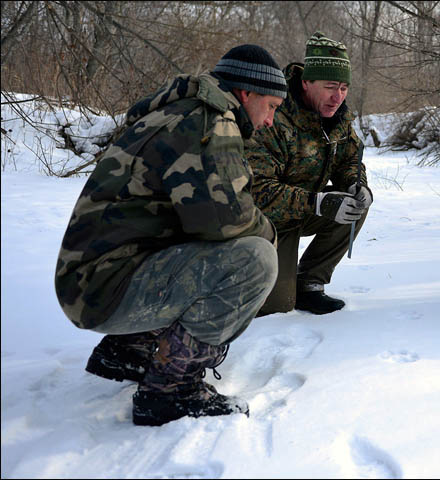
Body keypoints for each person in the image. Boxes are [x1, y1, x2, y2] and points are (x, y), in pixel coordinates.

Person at [54, 45, 288, 426]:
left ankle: (128, 349)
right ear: (246, 93)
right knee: (254, 260)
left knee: (195, 238)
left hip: (91, 281)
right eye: (272, 107)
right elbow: (225, 221)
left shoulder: (179, 112)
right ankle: (171, 390)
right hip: (103, 289)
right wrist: (270, 234)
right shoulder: (210, 121)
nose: (270, 122)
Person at [245, 31, 372, 316]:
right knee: (276, 307)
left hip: (303, 209)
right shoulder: (272, 115)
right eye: (330, 87)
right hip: (264, 222)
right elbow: (257, 191)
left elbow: (350, 158)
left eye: (343, 88)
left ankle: (311, 283)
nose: (337, 96)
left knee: (355, 206)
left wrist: (356, 184)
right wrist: (318, 202)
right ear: (306, 83)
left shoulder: (338, 117)